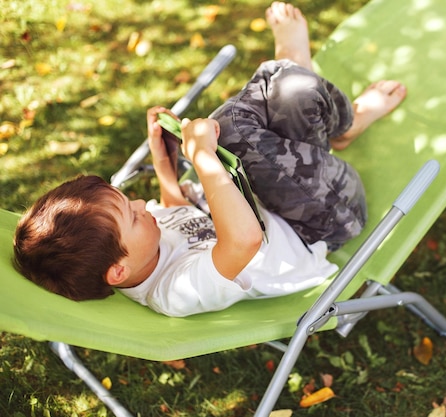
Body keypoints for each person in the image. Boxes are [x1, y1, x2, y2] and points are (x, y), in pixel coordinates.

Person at [13, 2, 407, 317]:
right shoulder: (177, 291)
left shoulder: (140, 248)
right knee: (233, 125)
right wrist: (202, 156)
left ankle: (302, 82)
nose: (138, 203)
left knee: (288, 96)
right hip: (322, 219)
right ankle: (310, 84)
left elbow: (176, 208)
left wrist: (162, 154)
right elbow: (244, 241)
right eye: (130, 214)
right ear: (118, 271)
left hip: (269, 195)